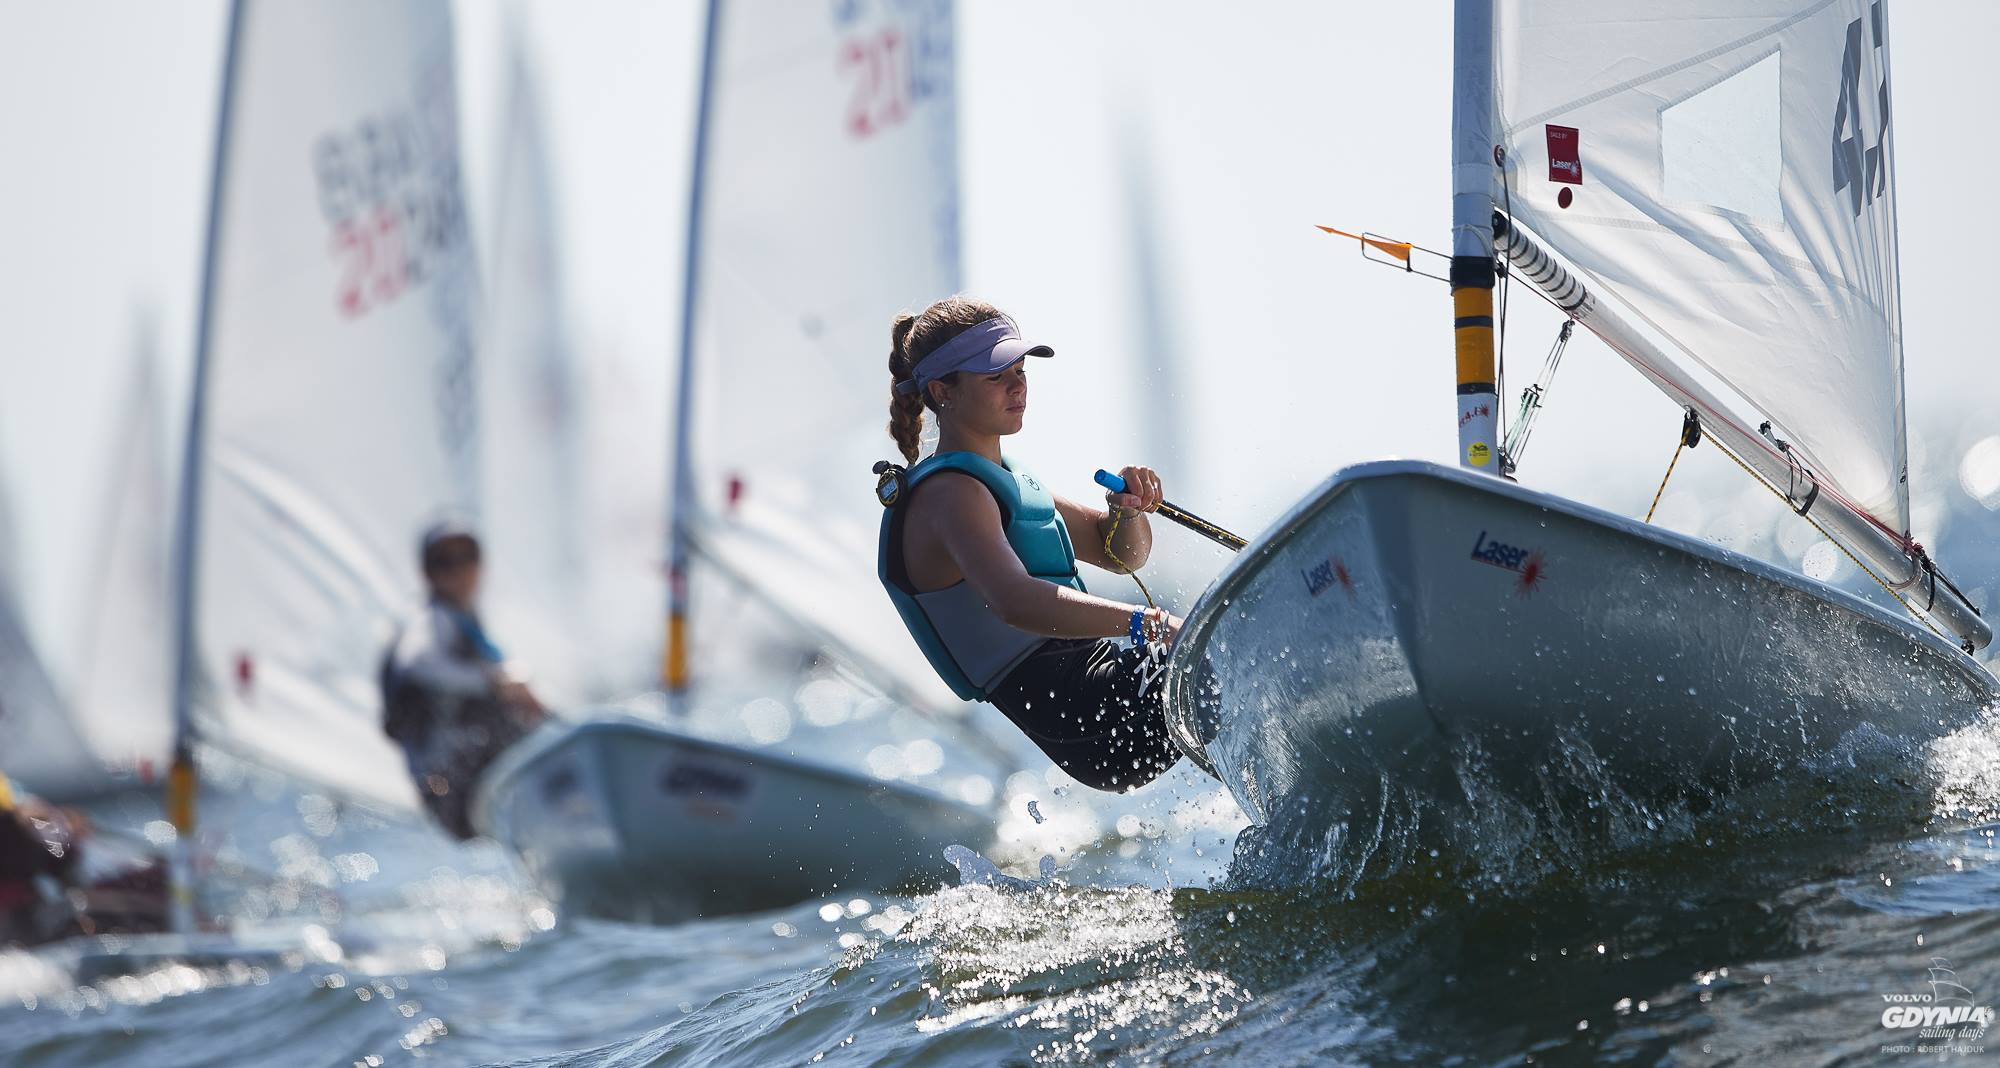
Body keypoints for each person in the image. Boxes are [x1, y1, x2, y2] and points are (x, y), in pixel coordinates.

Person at [876, 296, 1185, 792]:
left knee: (1233, 656)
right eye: (996, 376)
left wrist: (1126, 513)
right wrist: (1149, 624)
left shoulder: (1005, 481)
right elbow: (1014, 601)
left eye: (1020, 371)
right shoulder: (949, 494)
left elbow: (1120, 556)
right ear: (943, 391)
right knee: (1230, 654)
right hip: (1083, 714)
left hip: (1101, 687)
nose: (1018, 386)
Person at [380, 522, 546, 839]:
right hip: (449, 785)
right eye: (444, 562)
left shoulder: (467, 625)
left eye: (468, 558)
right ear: (428, 572)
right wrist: (494, 683)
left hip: (476, 781)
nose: (458, 570)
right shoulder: (430, 620)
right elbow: (418, 663)